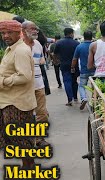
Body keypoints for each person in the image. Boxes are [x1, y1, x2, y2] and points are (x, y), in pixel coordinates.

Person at [0, 20, 37, 168]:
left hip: (17, 104)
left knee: (22, 141)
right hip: (9, 102)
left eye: (9, 32)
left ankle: (30, 171)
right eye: (3, 33)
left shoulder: (21, 50)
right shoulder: (11, 49)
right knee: (16, 141)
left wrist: (3, 82)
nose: (6, 36)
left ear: (18, 32)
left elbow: (25, 76)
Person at [21, 21, 50, 147]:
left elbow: (42, 60)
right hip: (23, 86)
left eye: (36, 29)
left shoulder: (38, 44)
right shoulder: (18, 46)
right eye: (32, 29)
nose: (36, 31)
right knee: (24, 114)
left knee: (42, 113)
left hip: (38, 84)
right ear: (23, 30)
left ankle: (39, 139)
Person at [54, 28, 80, 106]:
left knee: (67, 81)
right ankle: (75, 97)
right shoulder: (76, 43)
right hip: (74, 65)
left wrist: (57, 60)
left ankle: (70, 99)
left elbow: (55, 54)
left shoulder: (59, 43)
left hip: (64, 65)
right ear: (71, 33)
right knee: (74, 81)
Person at [71, 31, 95, 110]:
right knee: (94, 87)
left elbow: (75, 59)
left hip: (84, 70)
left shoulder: (79, 46)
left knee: (82, 86)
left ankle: (84, 98)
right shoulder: (95, 46)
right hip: (94, 70)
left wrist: (73, 67)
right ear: (91, 37)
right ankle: (94, 102)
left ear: (84, 37)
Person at [37, 29, 51, 95]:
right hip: (42, 58)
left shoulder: (35, 42)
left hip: (36, 59)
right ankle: (46, 89)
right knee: (43, 75)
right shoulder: (43, 40)